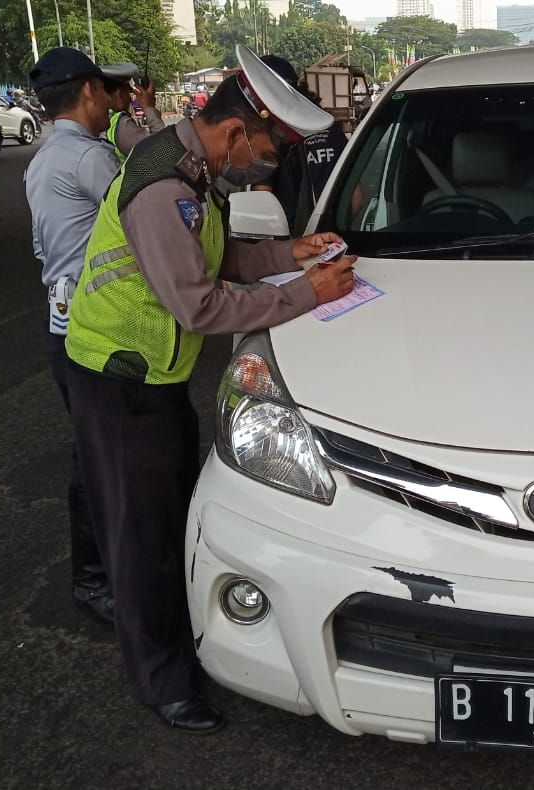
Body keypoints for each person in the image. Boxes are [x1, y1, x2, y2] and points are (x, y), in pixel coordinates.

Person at [61, 46, 356, 734]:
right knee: (140, 538)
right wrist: (304, 296)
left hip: (153, 380)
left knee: (165, 523)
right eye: (267, 148)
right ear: (233, 134)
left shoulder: (194, 170)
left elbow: (220, 254)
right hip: (119, 380)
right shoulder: (167, 188)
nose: (268, 163)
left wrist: (293, 256)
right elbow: (201, 305)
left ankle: (173, 647)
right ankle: (162, 682)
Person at [23, 47, 127, 628]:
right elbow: (141, 223)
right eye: (105, 88)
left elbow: (45, 248)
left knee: (94, 451)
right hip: (90, 331)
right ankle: (95, 582)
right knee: (97, 458)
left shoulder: (43, 159)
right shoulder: (90, 159)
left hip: (59, 323)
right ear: (89, 91)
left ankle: (102, 575)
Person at [256, 54, 350, 231]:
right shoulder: (329, 129)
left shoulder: (266, 141)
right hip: (335, 242)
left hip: (291, 247)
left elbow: (262, 207)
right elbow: (357, 199)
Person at [99, 63, 165, 161]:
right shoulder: (120, 125)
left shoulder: (93, 118)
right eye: (128, 92)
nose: (130, 98)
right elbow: (162, 151)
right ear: (120, 94)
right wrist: (149, 108)